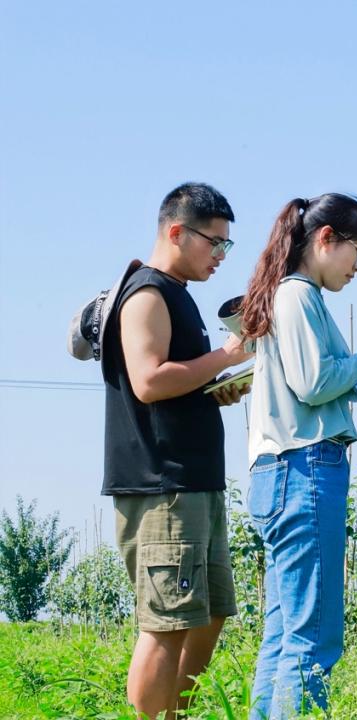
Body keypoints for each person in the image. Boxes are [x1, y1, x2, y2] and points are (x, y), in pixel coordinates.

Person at [240, 193, 357, 719]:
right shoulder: (298, 295)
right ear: (326, 239)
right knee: (314, 637)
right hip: (306, 467)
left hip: (279, 471)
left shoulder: (280, 295)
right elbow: (315, 383)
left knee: (285, 630)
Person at [103, 182, 252, 720]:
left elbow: (177, 383)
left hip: (194, 481)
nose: (220, 256)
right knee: (166, 623)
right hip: (161, 484)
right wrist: (224, 356)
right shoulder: (147, 293)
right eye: (215, 243)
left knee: (208, 613)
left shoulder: (177, 294)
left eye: (226, 246)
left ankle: (177, 712)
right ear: (175, 232)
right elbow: (148, 381)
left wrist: (218, 387)